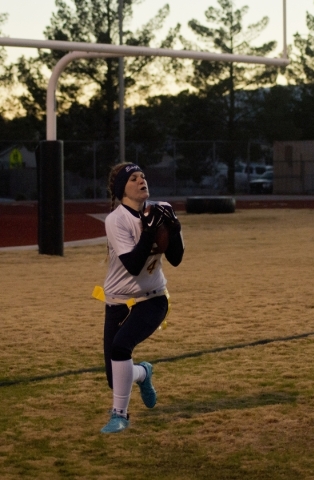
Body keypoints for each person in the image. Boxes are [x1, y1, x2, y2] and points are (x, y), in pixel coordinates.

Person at [101, 162, 184, 434]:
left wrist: (173, 229)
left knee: (121, 347)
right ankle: (144, 373)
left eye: (143, 177)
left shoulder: (163, 209)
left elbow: (176, 259)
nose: (141, 181)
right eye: (133, 178)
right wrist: (149, 231)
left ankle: (119, 415)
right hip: (118, 301)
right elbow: (133, 265)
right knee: (116, 379)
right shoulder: (116, 219)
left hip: (153, 298)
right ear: (121, 189)